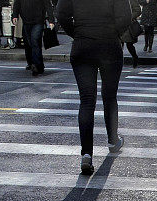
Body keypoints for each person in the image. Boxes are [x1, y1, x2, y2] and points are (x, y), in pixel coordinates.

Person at [56, 0, 132, 175]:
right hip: (109, 45)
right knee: (110, 97)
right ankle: (113, 140)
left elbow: (61, 13)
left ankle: (87, 154)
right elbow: (126, 16)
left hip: (83, 45)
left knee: (87, 101)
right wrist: (114, 32)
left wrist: (77, 32)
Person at [11, 0, 55, 75]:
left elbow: (48, 5)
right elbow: (17, 3)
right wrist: (15, 15)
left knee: (35, 41)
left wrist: (51, 20)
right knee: (30, 43)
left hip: (38, 21)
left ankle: (36, 65)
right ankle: (38, 65)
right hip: (26, 21)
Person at [121, 0, 143, 68]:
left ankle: (135, 58)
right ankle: (118, 61)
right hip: (118, 25)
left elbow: (138, 11)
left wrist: (129, 17)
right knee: (119, 45)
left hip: (128, 26)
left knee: (129, 44)